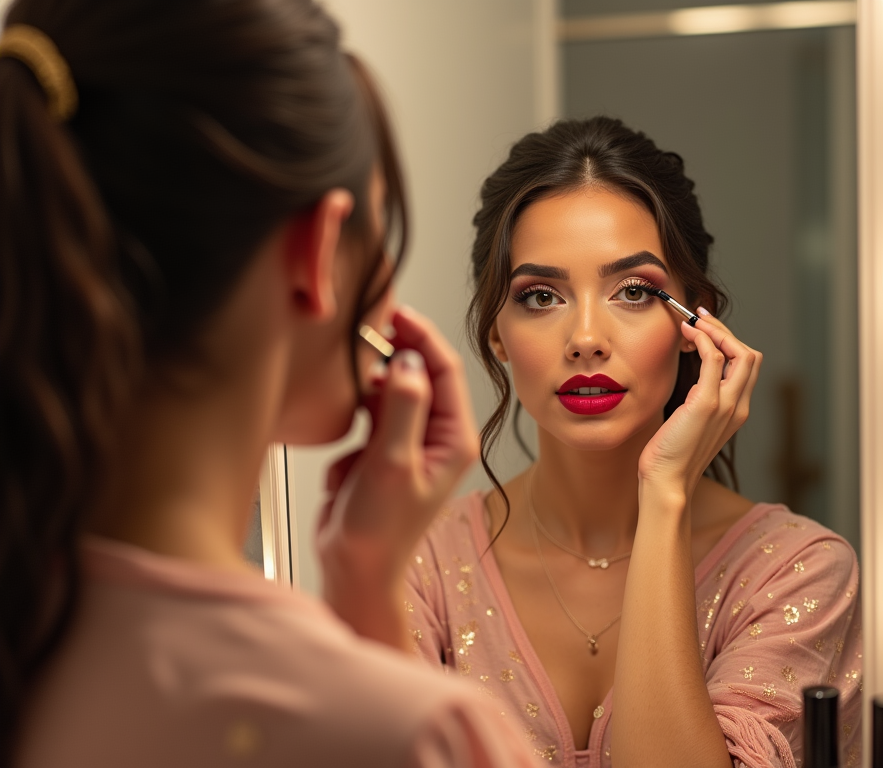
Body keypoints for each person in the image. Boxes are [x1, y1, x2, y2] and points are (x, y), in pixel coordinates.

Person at [0, 2, 540, 766]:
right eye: (378, 228)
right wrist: (368, 595)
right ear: (316, 252)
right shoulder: (422, 737)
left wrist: (365, 573)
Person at [404, 117, 863, 768]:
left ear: (694, 322)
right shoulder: (420, 565)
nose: (586, 336)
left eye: (634, 291)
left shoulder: (798, 575)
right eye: (540, 296)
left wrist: (665, 497)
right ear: (497, 333)